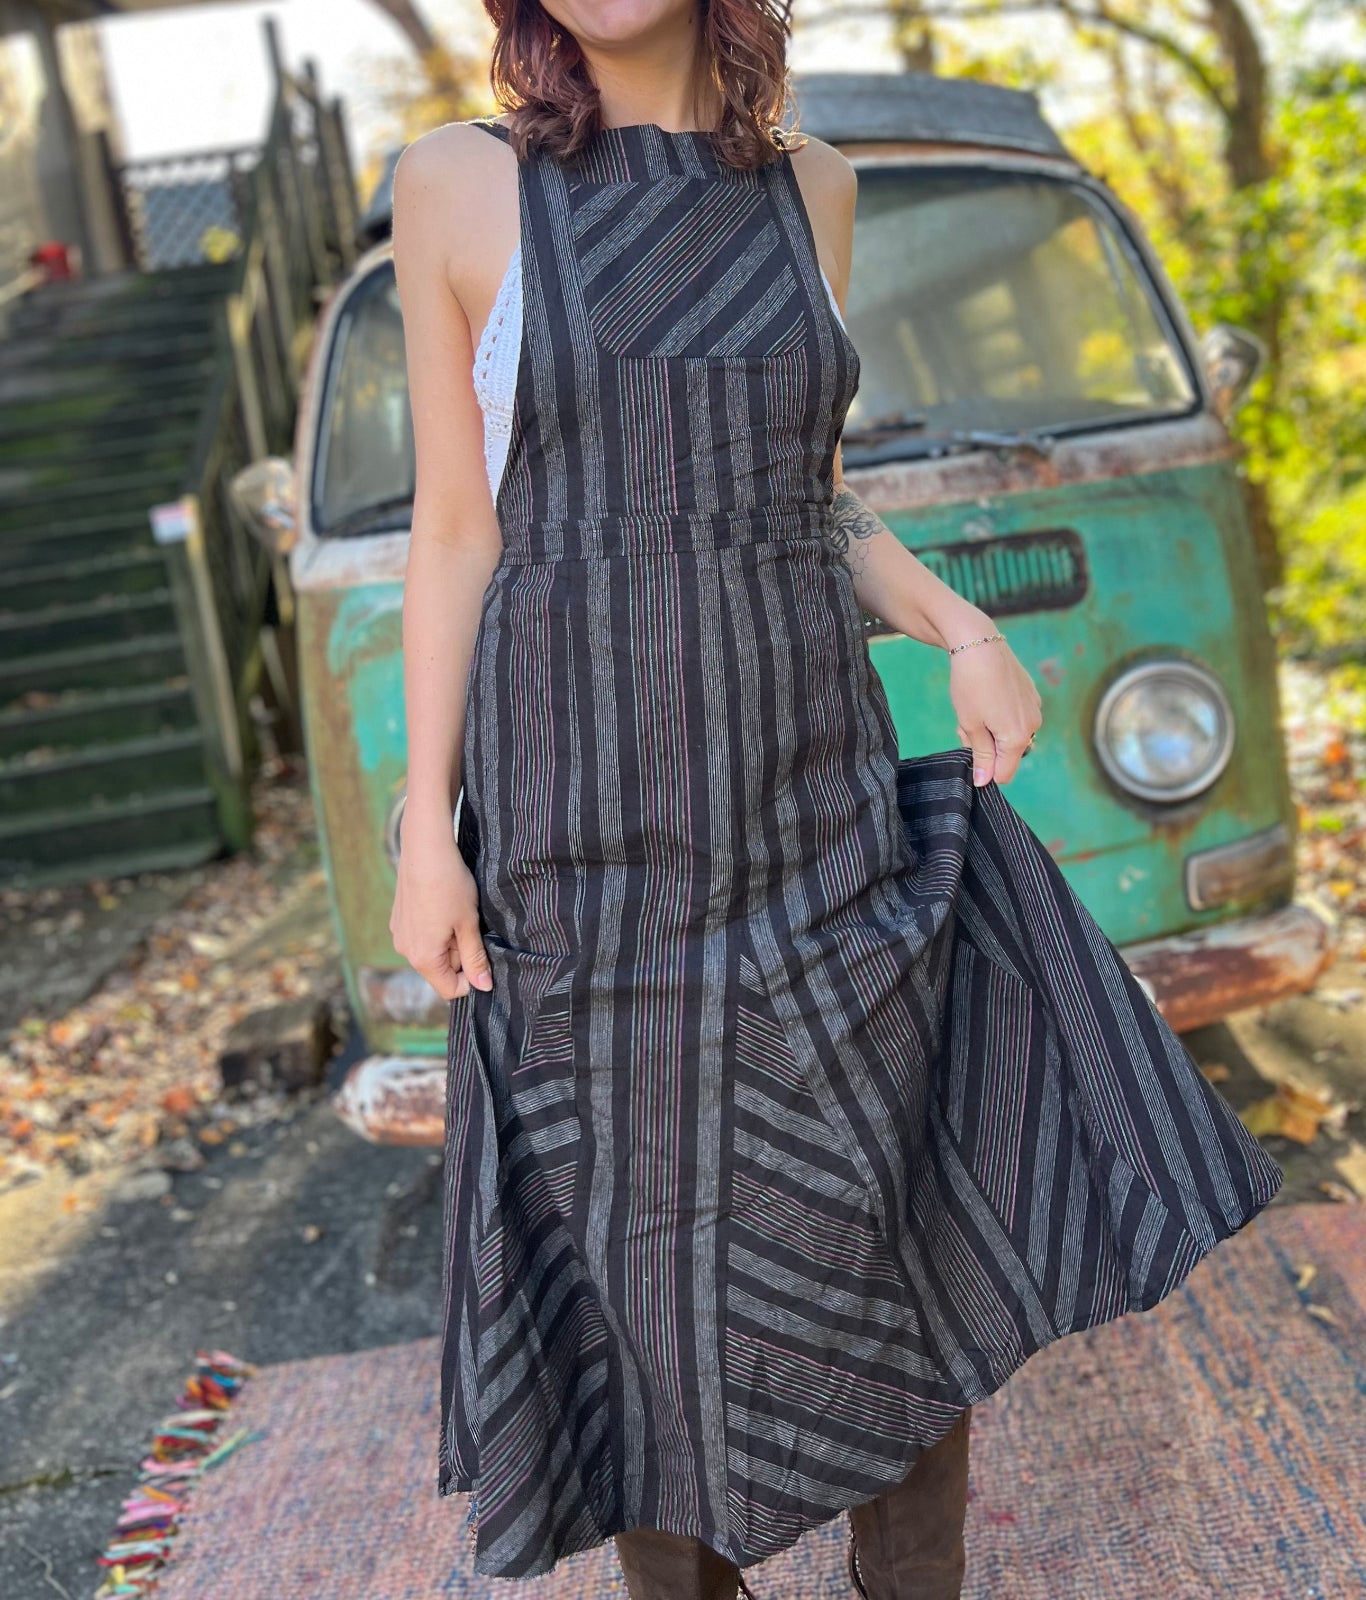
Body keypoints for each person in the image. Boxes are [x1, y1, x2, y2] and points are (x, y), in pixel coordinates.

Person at [388, 1, 1284, 1594]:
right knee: (643, 1274)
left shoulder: (817, 189)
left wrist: (962, 625)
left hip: (816, 803)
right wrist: (424, 830)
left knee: (883, 1226)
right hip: (585, 825)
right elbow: (458, 531)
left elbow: (807, 497)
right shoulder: (459, 184)